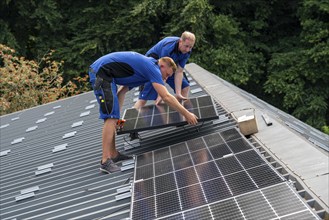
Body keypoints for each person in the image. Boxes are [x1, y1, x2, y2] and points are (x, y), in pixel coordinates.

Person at [89, 51, 198, 173]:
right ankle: (105, 161)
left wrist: (116, 116)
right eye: (167, 74)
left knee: (113, 117)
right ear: (162, 66)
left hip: (106, 74)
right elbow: (166, 96)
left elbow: (122, 91)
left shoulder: (143, 70)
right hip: (101, 72)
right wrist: (186, 114)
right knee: (110, 117)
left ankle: (113, 154)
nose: (165, 79)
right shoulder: (153, 68)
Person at [134, 31, 196, 109]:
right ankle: (130, 119)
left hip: (170, 67)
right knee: (143, 99)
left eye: (190, 47)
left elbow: (179, 71)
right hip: (152, 67)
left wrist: (178, 93)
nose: (188, 50)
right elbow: (162, 71)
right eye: (186, 46)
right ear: (180, 41)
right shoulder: (168, 48)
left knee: (184, 87)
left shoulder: (187, 51)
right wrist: (161, 95)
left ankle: (180, 114)